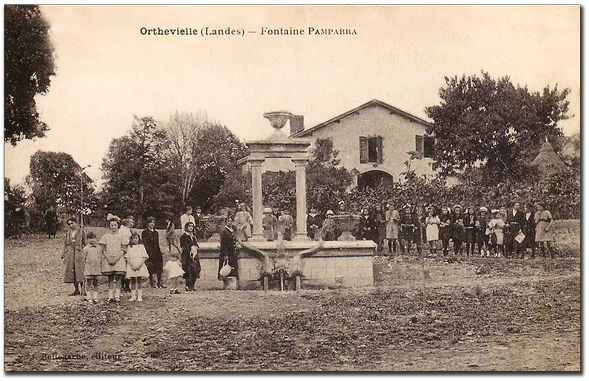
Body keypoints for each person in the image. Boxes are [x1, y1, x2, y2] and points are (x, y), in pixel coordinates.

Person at [99, 215, 128, 302]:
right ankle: (110, 296)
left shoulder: (121, 237)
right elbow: (103, 249)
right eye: (111, 225)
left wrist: (116, 258)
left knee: (118, 278)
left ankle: (117, 296)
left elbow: (124, 249)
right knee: (110, 278)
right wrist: (108, 258)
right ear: (109, 226)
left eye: (115, 225)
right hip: (108, 258)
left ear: (118, 226)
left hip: (119, 259)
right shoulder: (106, 237)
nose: (113, 227)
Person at [62, 217, 87, 296]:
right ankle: (76, 290)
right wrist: (63, 253)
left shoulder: (81, 232)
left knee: (80, 270)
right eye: (69, 224)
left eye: (72, 223)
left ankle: (83, 289)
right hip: (70, 253)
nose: (71, 225)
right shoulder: (68, 233)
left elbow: (85, 243)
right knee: (71, 270)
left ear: (76, 223)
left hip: (78, 252)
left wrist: (85, 252)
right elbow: (65, 244)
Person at [125, 233, 150, 302]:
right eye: (133, 238)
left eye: (136, 238)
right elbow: (127, 257)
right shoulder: (130, 247)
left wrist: (139, 265)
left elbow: (144, 256)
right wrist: (132, 265)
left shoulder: (141, 246)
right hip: (132, 265)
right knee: (132, 281)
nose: (135, 240)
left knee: (139, 280)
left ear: (139, 239)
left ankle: (139, 296)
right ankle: (133, 296)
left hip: (140, 265)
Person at [142, 216, 165, 288]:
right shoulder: (145, 232)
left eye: (153, 222)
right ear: (147, 223)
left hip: (156, 251)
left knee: (159, 266)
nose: (152, 224)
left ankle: (159, 282)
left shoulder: (155, 232)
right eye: (150, 222)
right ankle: (152, 282)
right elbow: (145, 243)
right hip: (149, 251)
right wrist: (148, 252)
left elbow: (157, 243)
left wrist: (159, 250)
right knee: (151, 267)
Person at [180, 221, 201, 291]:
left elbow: (196, 244)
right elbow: (183, 246)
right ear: (186, 227)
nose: (191, 228)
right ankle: (188, 285)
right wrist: (191, 246)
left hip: (194, 255)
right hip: (187, 256)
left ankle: (192, 285)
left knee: (196, 269)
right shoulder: (184, 236)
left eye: (192, 226)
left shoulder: (193, 236)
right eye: (189, 226)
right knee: (188, 270)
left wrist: (196, 247)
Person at [219, 215, 239, 288]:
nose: (230, 223)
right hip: (227, 252)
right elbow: (223, 244)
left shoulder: (232, 230)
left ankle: (232, 284)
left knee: (233, 267)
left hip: (233, 252)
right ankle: (225, 284)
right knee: (226, 268)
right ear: (225, 222)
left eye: (231, 221)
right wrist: (225, 254)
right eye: (228, 221)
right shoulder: (224, 231)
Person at [83, 231, 101, 303]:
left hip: (96, 267)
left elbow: (100, 257)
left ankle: (95, 297)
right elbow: (83, 259)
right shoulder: (86, 248)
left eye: (93, 238)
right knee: (88, 282)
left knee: (96, 281)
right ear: (87, 239)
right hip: (89, 266)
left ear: (96, 239)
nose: (91, 240)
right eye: (90, 238)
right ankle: (89, 297)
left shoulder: (98, 248)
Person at [119, 217, 134, 294]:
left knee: (128, 267)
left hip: (129, 248)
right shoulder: (122, 230)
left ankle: (127, 285)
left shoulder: (128, 230)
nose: (131, 223)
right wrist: (129, 241)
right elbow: (123, 239)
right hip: (124, 248)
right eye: (130, 222)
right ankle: (122, 286)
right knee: (124, 267)